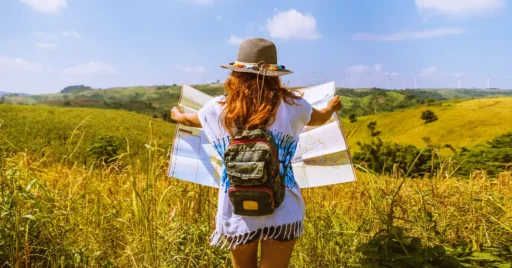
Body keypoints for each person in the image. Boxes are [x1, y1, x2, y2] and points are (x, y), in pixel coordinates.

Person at [171, 37, 341, 268]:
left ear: (236, 74)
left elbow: (191, 119)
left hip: (236, 206)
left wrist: (177, 116)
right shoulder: (294, 106)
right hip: (283, 205)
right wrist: (331, 108)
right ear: (274, 74)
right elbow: (320, 118)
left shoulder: (218, 108)